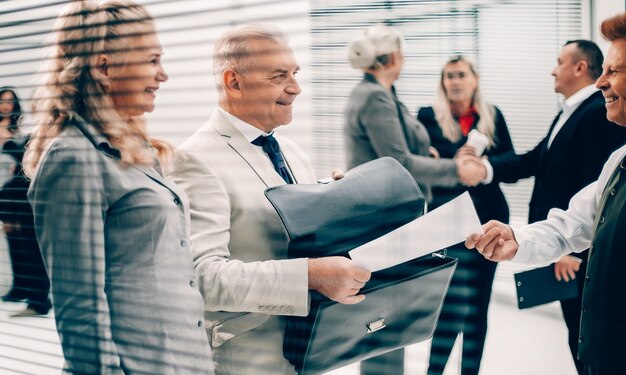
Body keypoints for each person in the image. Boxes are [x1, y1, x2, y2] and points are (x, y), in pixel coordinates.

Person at [167, 23, 371, 375]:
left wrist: (338, 205)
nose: (295, 88)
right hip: (248, 359)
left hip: (308, 350)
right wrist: (309, 274)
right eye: (279, 76)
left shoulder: (291, 151)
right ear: (234, 82)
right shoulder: (193, 159)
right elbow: (202, 277)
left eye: (294, 73)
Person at [23, 1, 213, 373]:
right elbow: (80, 307)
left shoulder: (132, 147)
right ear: (105, 67)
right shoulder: (73, 158)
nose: (164, 76)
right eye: (153, 60)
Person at [466, 12, 626, 375]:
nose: (601, 82)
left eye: (614, 71)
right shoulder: (619, 161)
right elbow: (572, 223)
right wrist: (516, 238)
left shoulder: (591, 118)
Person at [343, 25, 487, 375]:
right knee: (385, 322)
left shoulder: (382, 94)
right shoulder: (375, 97)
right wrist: (455, 169)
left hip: (390, 219)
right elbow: (400, 163)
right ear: (392, 58)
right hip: (383, 220)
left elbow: (401, 151)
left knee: (393, 321)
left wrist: (429, 152)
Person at [416, 55, 514, 375]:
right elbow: (420, 167)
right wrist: (452, 162)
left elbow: (510, 165)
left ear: (475, 78)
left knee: (477, 307)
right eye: (448, 76)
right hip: (448, 222)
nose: (455, 82)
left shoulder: (492, 116)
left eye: (461, 75)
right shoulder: (427, 116)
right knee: (449, 306)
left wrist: (482, 166)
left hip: (489, 220)